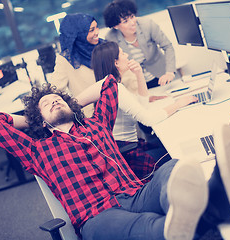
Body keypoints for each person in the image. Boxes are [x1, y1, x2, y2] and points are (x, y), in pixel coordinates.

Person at [0, 77, 230, 240]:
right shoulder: (36, 150)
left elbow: (109, 84)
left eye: (58, 100)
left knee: (172, 168)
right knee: (146, 226)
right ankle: (213, 206)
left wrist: (68, 102)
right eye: (47, 104)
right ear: (40, 121)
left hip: (135, 195)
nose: (54, 102)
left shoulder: (97, 124)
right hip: (97, 216)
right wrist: (33, 118)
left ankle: (216, 195)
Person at [77, 41, 195, 180]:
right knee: (178, 157)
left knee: (169, 147)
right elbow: (148, 119)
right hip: (130, 156)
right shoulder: (117, 89)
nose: (127, 55)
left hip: (128, 150)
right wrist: (178, 104)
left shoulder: (114, 87)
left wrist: (139, 74)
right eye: (122, 53)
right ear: (116, 63)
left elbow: (142, 105)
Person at [103, 0, 176, 88]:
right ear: (115, 26)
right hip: (136, 83)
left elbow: (167, 46)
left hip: (161, 75)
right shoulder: (111, 38)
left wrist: (169, 72)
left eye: (132, 16)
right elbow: (115, 65)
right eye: (125, 21)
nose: (132, 22)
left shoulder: (147, 25)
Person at [49, 13, 105, 117]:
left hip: (121, 109)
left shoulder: (105, 46)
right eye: (91, 30)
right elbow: (54, 91)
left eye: (97, 27)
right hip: (94, 119)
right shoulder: (66, 59)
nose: (97, 32)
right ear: (78, 34)